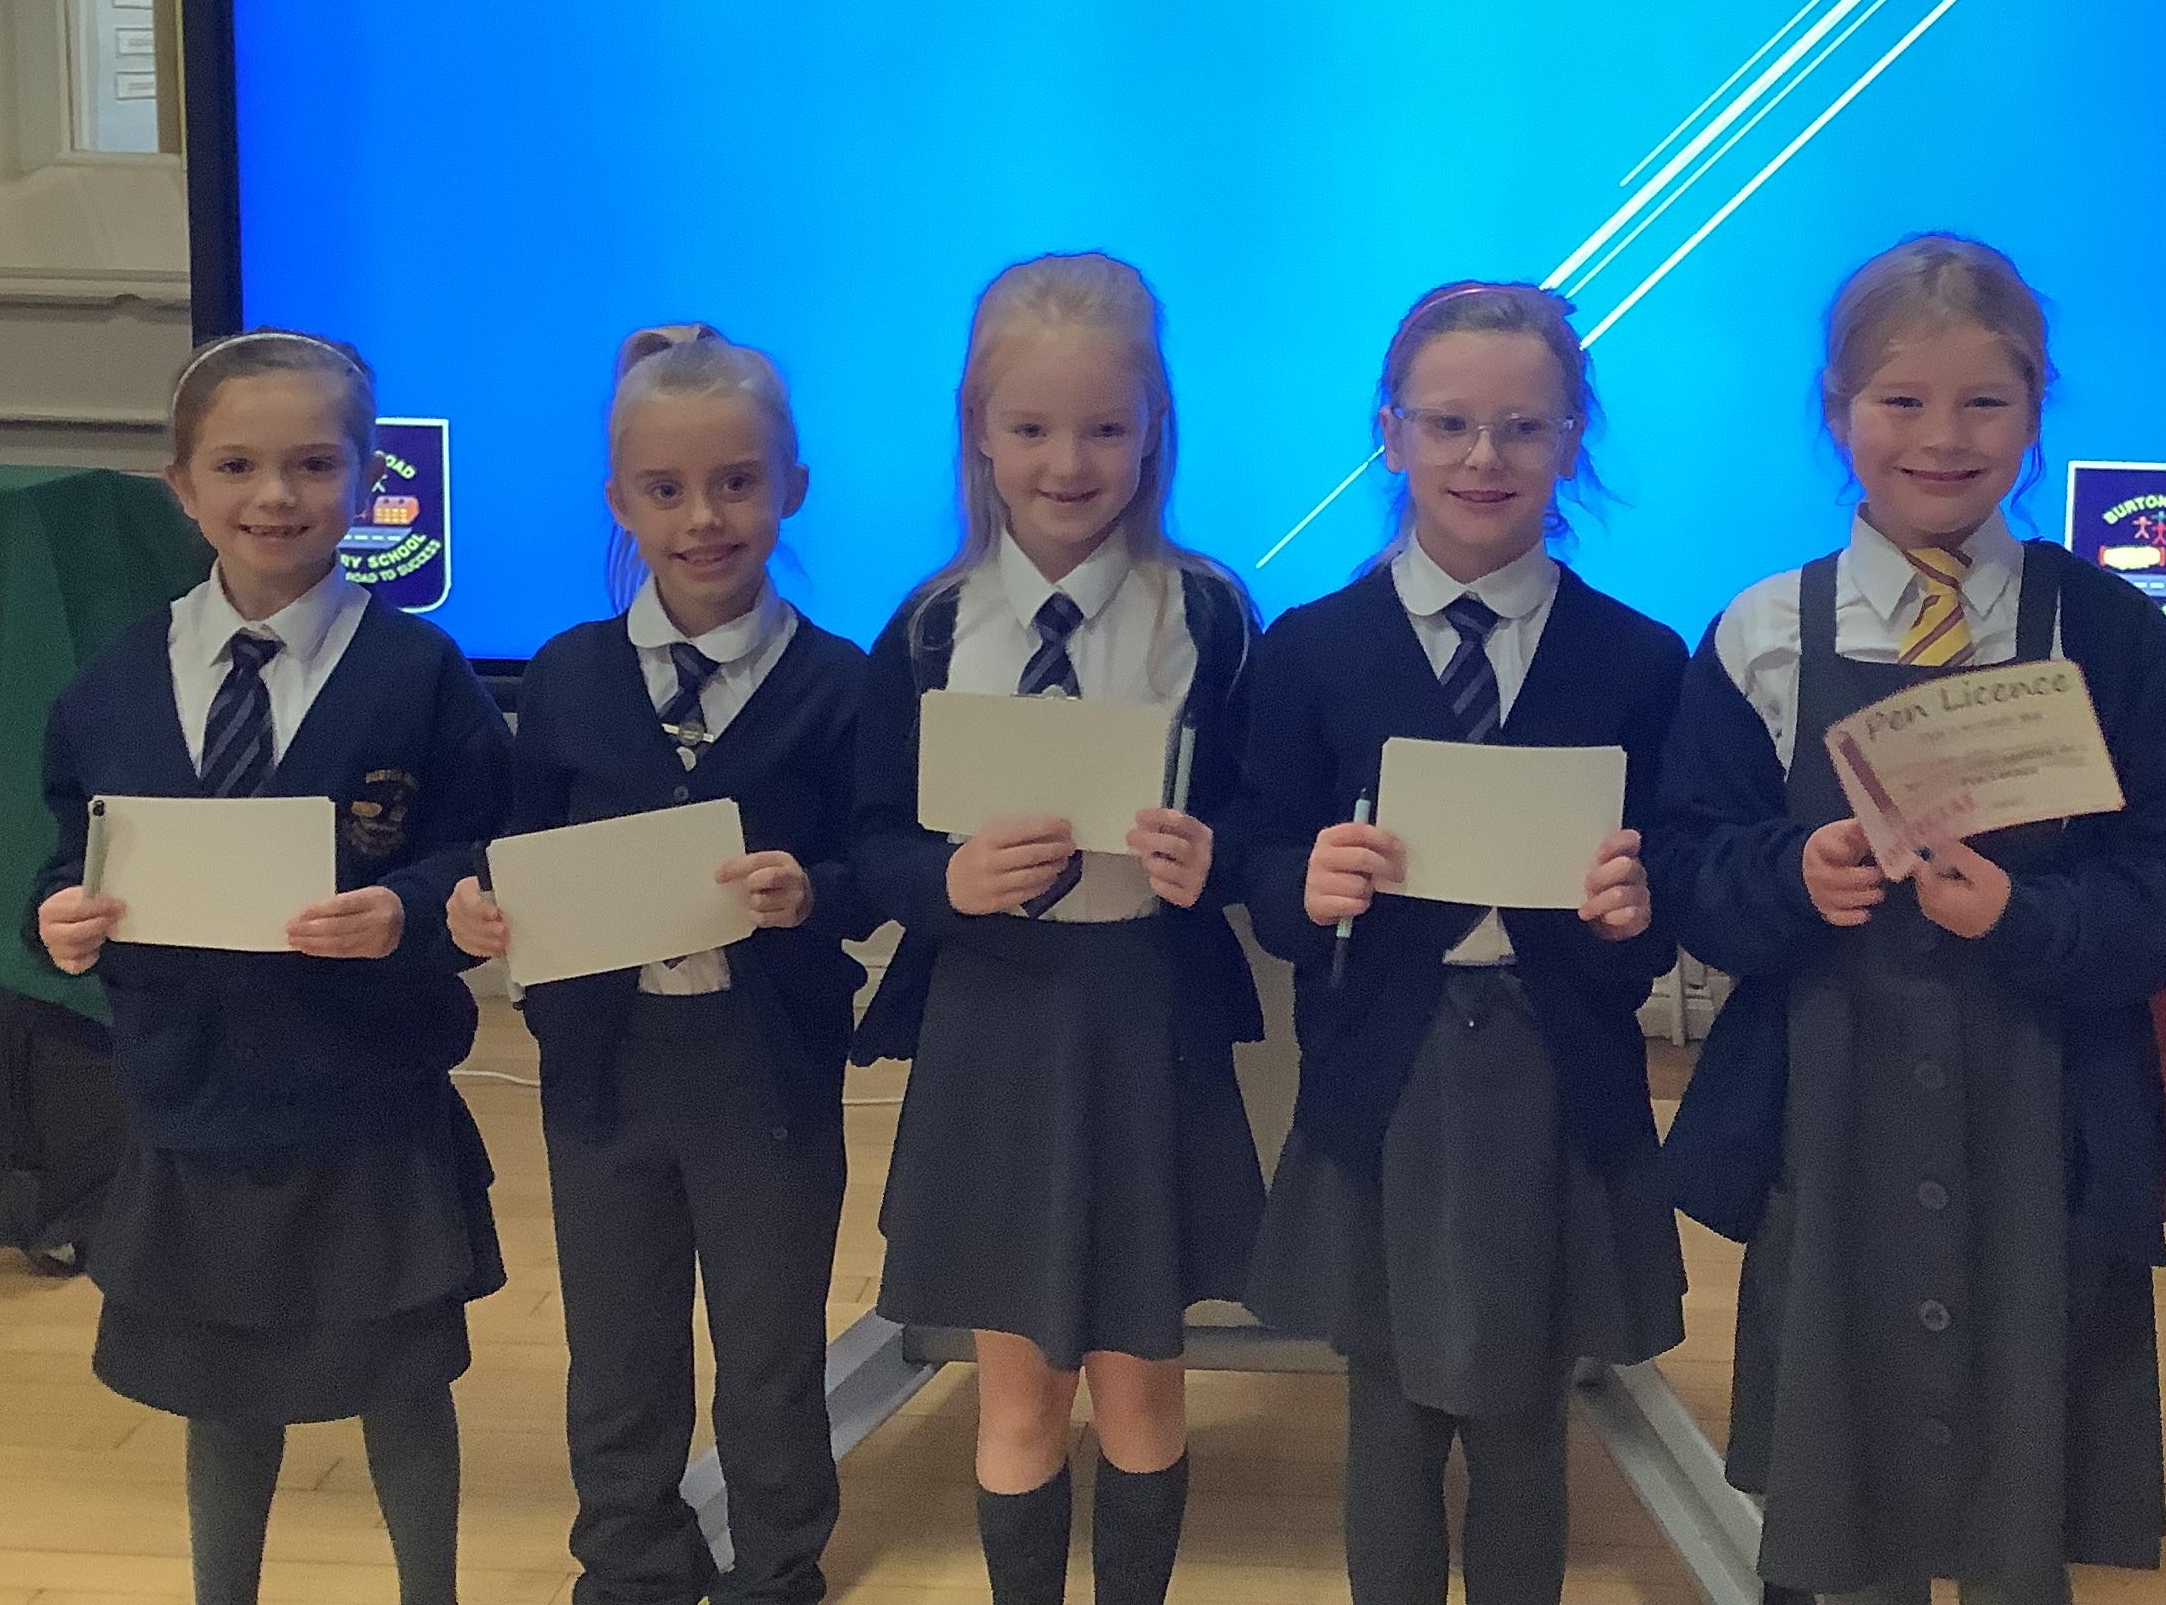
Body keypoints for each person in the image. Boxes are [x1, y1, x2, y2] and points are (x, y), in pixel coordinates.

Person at [1654, 235, 2166, 1605]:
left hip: (2041, 1113)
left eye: (1985, 401)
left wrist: (2030, 916)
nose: (1942, 438)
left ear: (2037, 410)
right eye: (1901, 401)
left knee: (2019, 1475)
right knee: (1834, 1485)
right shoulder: (1760, 633)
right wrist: (1792, 878)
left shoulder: (2110, 633)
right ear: (1836, 410)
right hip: (1828, 1114)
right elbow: (1688, 860)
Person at [31, 329, 509, 1605]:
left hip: (366, 1095)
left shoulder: (419, 674)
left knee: (402, 1378)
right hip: (195, 1098)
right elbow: (67, 851)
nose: (276, 495)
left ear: (367, 479)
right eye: (237, 466)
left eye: (313, 463)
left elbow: (483, 843)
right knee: (222, 1388)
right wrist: (58, 917)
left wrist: (407, 909)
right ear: (182, 488)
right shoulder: (113, 686)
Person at [1242, 280, 1688, 1605]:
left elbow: (1670, 882)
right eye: (1448, 424)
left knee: (1525, 1406)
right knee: (1386, 1397)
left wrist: (1641, 907)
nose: (1484, 457)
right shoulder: (1312, 651)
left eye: (1523, 426)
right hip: (1383, 1074)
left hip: (1559, 1077)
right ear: (1391, 434)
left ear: (1570, 439)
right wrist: (1306, 879)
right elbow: (1261, 858)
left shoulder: (1639, 659)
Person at [852, 253, 1265, 1605]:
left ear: (1154, 429)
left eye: (1103, 427)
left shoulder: (1208, 616)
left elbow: (1261, 814)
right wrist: (949, 880)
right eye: (1030, 427)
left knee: (1143, 1383)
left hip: (1145, 1021)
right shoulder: (929, 630)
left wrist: (1215, 858)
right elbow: (871, 844)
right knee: (1019, 1390)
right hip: (994, 1023)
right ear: (978, 430)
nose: (1067, 462)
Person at [444, 323, 869, 1605]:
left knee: (769, 1340)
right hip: (605, 1069)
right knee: (619, 1337)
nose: (704, 518)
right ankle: (630, 1558)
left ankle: (778, 1564)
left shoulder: (838, 684)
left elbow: (875, 860)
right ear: (620, 501)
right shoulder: (569, 676)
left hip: (767, 1068)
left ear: (792, 487)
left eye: (737, 483)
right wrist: (485, 911)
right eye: (667, 489)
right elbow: (519, 845)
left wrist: (814, 892)